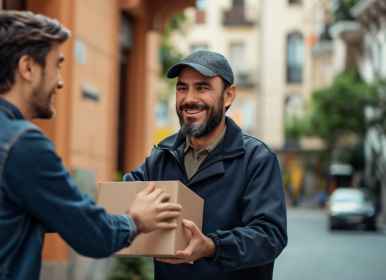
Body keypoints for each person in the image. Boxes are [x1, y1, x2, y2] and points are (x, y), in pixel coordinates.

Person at [0, 11, 182, 280]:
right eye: (56, 65)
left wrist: (82, 212)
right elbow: (95, 238)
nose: (60, 81)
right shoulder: (22, 143)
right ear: (28, 68)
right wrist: (136, 220)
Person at [123, 50, 288, 280]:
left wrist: (212, 246)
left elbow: (270, 236)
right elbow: (119, 200)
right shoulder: (162, 155)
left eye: (202, 88)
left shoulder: (257, 159)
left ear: (228, 96)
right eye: (182, 88)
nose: (189, 98)